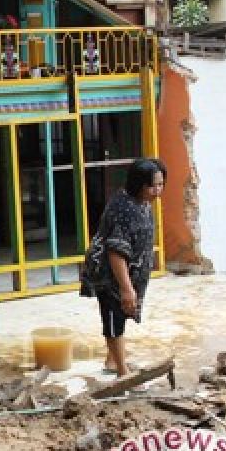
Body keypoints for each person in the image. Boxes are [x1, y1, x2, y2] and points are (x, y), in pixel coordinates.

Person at [80, 158, 166, 377]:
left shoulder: (142, 202)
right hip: (110, 275)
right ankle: (122, 370)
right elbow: (116, 252)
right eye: (152, 186)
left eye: (160, 184)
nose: (157, 191)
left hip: (130, 273)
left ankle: (113, 360)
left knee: (122, 314)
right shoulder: (124, 208)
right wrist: (126, 288)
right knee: (113, 317)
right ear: (139, 184)